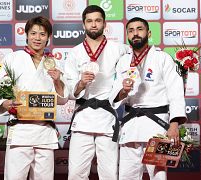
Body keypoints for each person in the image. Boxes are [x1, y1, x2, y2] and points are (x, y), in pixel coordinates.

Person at [0, 16, 68, 180]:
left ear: (48, 37)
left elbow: (62, 99)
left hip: (45, 131)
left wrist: (57, 80)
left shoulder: (53, 63)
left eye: (42, 34)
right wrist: (5, 103)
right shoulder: (12, 58)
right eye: (33, 33)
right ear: (26, 35)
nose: (37, 38)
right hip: (20, 129)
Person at [112, 17, 187, 180]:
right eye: (131, 31)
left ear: (149, 33)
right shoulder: (123, 61)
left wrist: (174, 125)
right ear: (127, 35)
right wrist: (123, 91)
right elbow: (115, 96)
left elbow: (176, 92)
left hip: (157, 126)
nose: (135, 34)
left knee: (158, 175)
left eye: (139, 29)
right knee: (127, 175)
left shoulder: (163, 58)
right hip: (131, 125)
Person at [64, 5, 129, 180]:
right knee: (76, 173)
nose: (94, 25)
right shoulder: (75, 53)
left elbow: (135, 67)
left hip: (108, 118)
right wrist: (81, 83)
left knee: (109, 174)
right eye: (89, 21)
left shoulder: (120, 49)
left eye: (98, 20)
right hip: (83, 118)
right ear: (83, 24)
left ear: (104, 23)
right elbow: (70, 90)